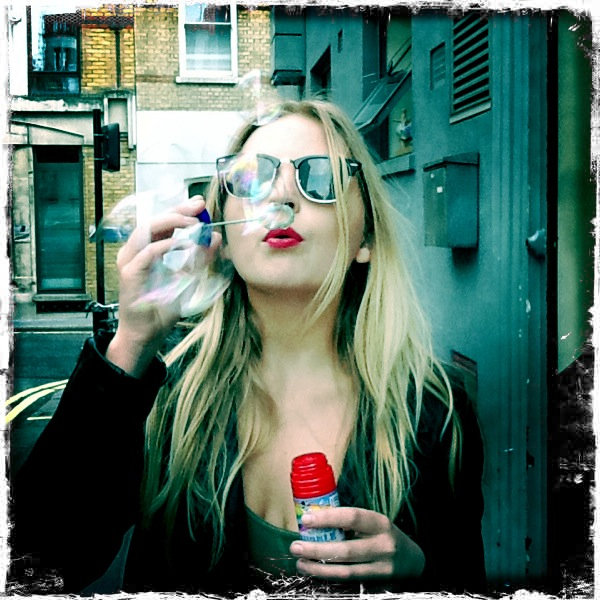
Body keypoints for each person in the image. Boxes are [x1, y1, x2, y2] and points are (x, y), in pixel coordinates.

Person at [11, 100, 486, 595]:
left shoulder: (437, 412)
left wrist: (421, 573)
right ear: (221, 228)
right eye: (254, 178)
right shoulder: (167, 398)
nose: (281, 196)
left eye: (319, 177)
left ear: (364, 236)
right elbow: (35, 564)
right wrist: (132, 342)